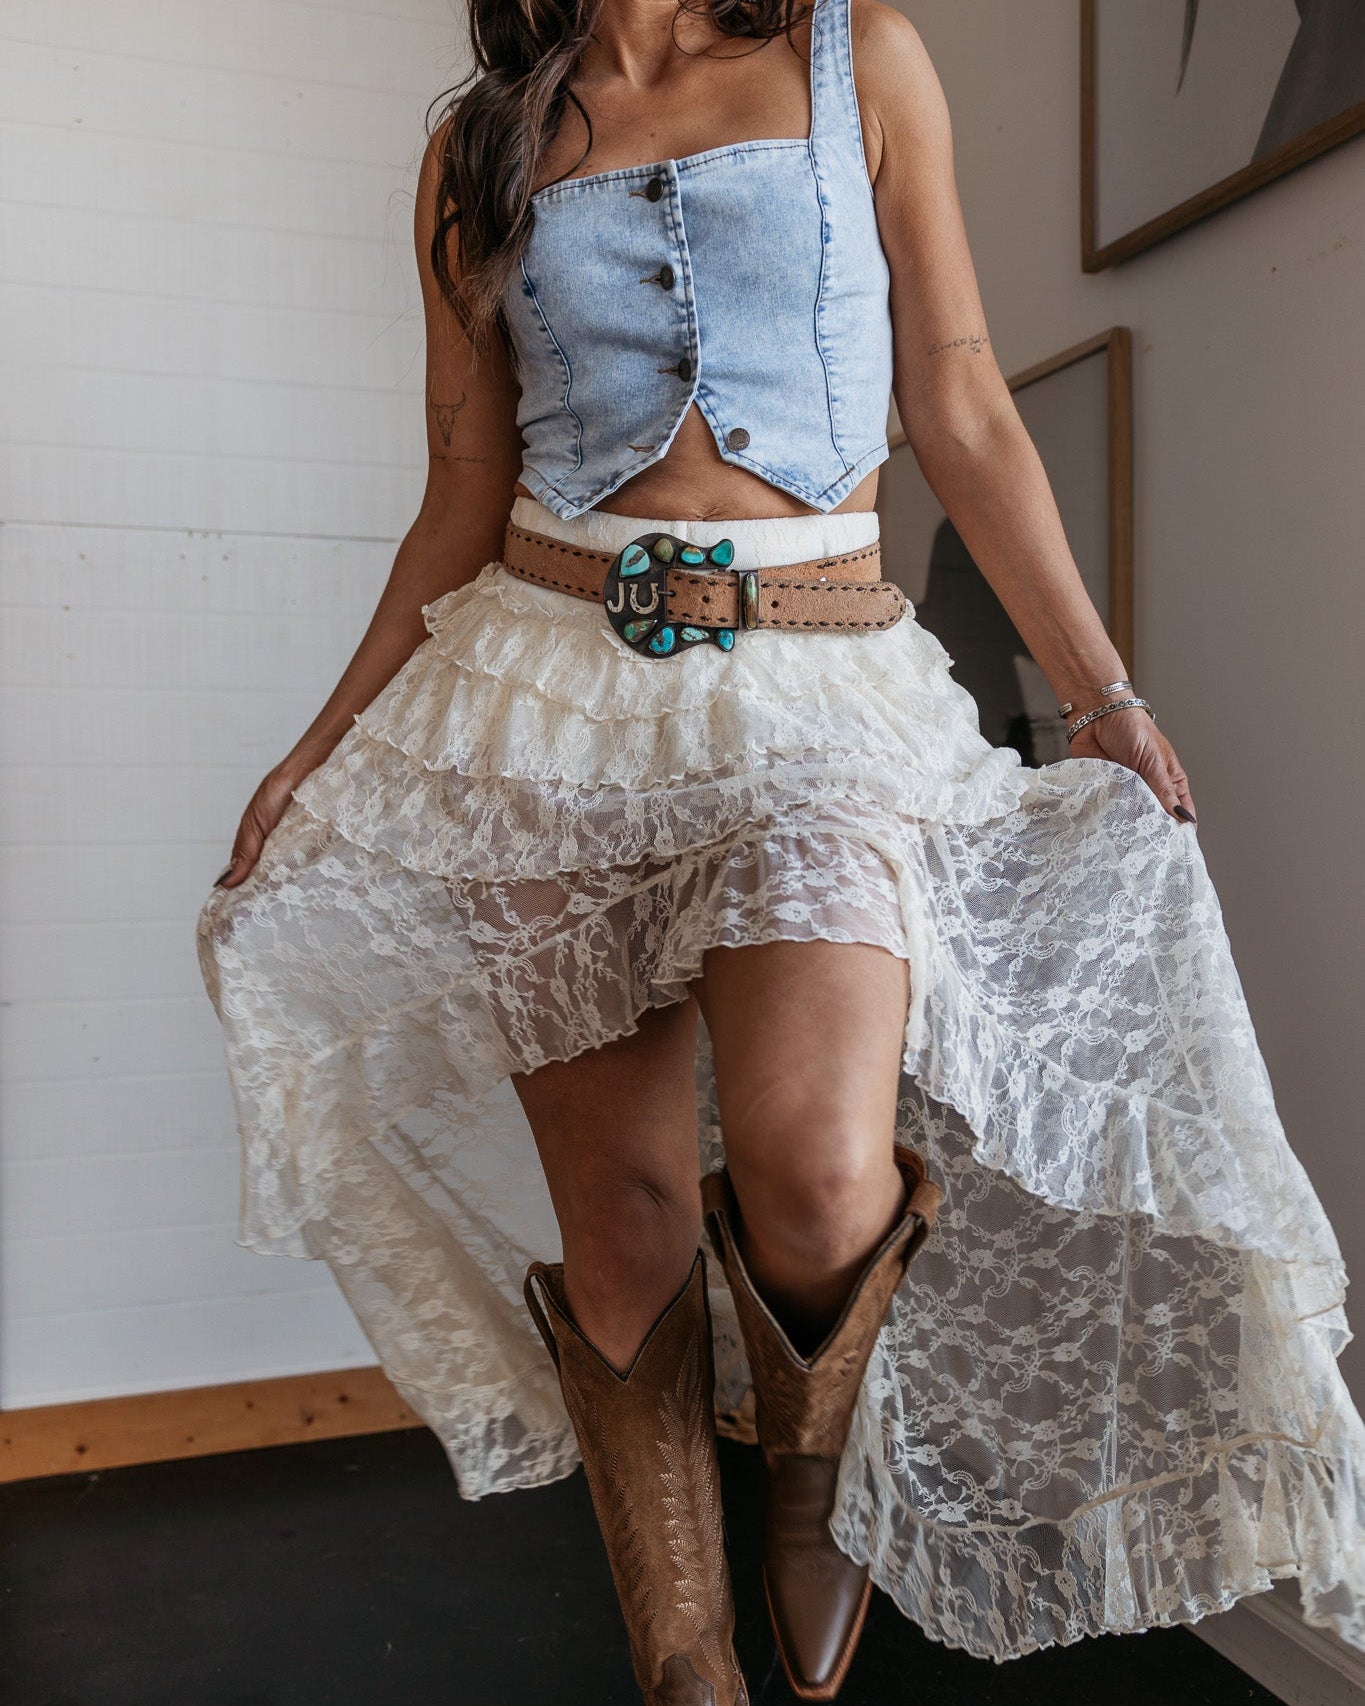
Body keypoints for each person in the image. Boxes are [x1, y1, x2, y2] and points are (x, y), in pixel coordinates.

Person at [195, 0, 1365, 1699]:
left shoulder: (855, 56)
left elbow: (955, 396)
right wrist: (323, 741)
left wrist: (1099, 689)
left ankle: (813, 1468)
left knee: (816, 1170)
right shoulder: (478, 145)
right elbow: (460, 482)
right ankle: (686, 1660)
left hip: (816, 684)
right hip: (544, 698)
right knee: (623, 1219)